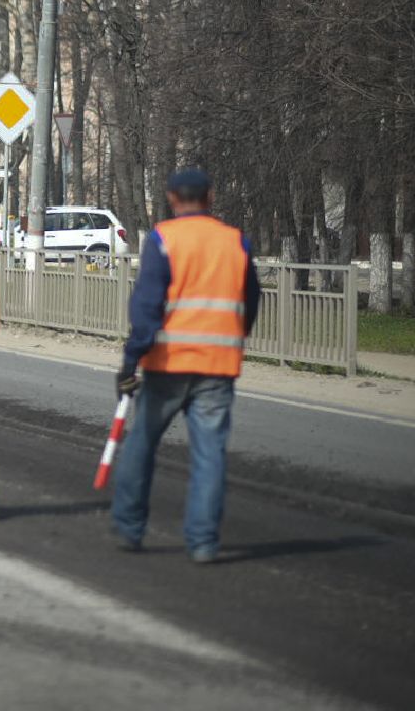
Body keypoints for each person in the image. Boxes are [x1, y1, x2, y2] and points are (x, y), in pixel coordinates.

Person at [110, 168, 262, 563]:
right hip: (219, 364)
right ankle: (204, 542)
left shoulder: (164, 238)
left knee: (141, 443)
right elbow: (251, 300)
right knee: (209, 454)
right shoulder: (236, 241)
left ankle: (129, 527)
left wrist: (131, 361)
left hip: (169, 363)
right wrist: (235, 335)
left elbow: (146, 306)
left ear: (172, 199)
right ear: (211, 197)